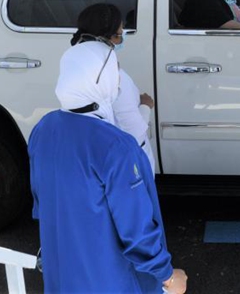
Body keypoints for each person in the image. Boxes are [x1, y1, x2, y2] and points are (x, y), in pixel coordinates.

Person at [28, 34, 187, 293]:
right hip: (109, 277)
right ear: (105, 80)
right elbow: (136, 229)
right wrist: (167, 275)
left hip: (63, 272)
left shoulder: (44, 128)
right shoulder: (117, 146)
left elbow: (41, 202)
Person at [72, 3, 157, 174]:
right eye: (120, 33)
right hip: (127, 166)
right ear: (109, 38)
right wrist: (146, 106)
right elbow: (134, 134)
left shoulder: (79, 69)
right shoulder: (115, 78)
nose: (122, 37)